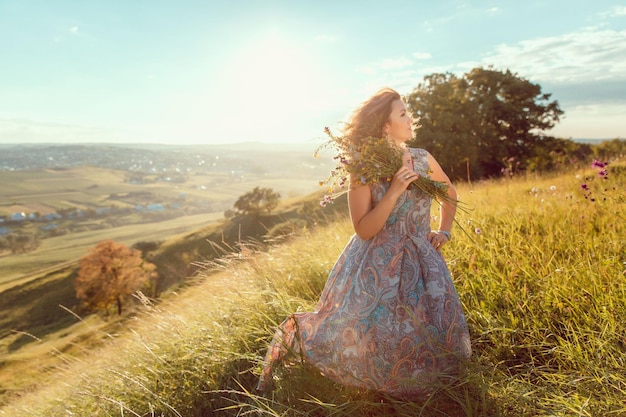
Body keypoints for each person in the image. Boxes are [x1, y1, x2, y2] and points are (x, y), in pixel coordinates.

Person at [257, 87, 471, 399]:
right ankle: (375, 385)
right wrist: (395, 189)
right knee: (374, 332)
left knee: (428, 324)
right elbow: (364, 230)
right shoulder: (364, 168)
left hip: (423, 260)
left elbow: (449, 193)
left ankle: (423, 387)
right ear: (386, 125)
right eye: (403, 113)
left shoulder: (423, 159)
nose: (411, 118)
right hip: (378, 262)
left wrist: (445, 231)